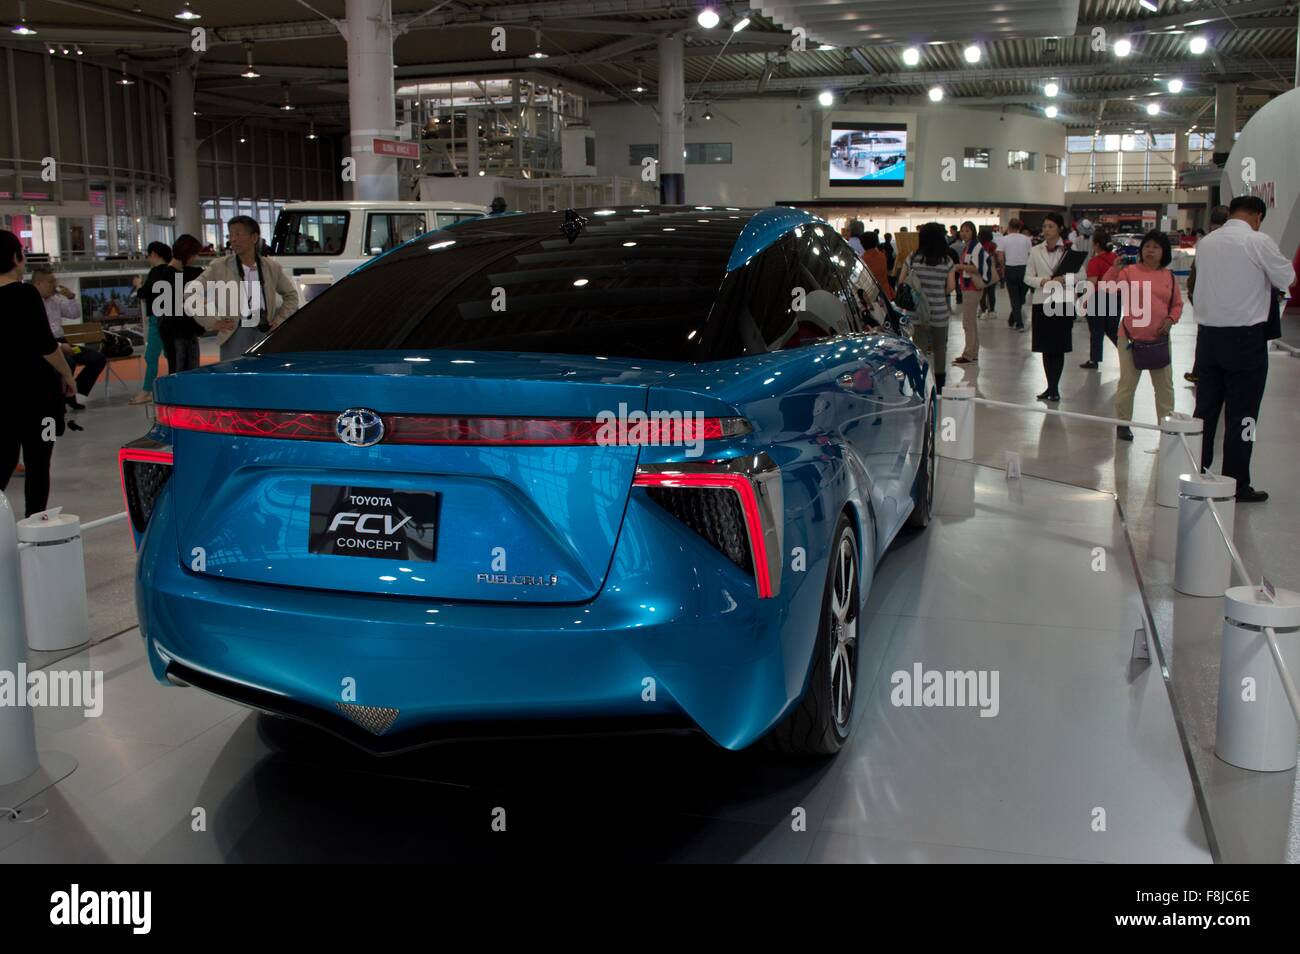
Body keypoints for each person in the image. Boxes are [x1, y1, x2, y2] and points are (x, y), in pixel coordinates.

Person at [1190, 195, 1296, 502]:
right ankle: (1237, 481)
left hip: (1208, 339)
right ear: (1258, 216)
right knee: (1244, 415)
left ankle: (1197, 470)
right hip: (1244, 340)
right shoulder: (1257, 241)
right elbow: (1287, 277)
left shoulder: (1207, 243)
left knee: (1206, 410)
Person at [0, 230, 77, 516]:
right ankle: (35, 527)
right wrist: (67, 376)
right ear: (15, 257)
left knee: (4, 459)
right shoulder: (24, 293)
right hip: (35, 394)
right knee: (38, 462)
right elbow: (46, 345)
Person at [1102, 230, 1181, 440]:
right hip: (1129, 339)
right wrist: (1113, 269)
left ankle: (1166, 426)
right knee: (1127, 384)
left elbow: (1177, 305)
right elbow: (1108, 289)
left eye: (1156, 247)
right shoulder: (1129, 272)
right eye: (1147, 246)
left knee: (1165, 387)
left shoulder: (1169, 277)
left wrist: (1170, 320)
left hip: (1160, 341)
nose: (1150, 250)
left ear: (1164, 252)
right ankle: (1123, 423)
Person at [189, 215, 300, 361]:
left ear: (254, 238)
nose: (233, 239)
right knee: (234, 378)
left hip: (264, 330)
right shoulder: (219, 266)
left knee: (263, 377)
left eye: (238, 234)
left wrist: (280, 320)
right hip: (234, 332)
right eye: (231, 234)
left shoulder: (271, 267)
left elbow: (291, 295)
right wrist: (211, 322)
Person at [1025, 211, 1086, 402]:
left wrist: (1063, 278)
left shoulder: (1070, 248)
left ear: (1060, 228)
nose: (1046, 230)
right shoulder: (1036, 250)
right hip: (1041, 301)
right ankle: (1050, 386)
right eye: (1044, 226)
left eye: (1050, 226)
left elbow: (1082, 275)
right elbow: (1027, 276)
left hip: (1062, 302)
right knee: (1045, 347)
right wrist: (1042, 281)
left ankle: (1054, 388)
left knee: (1058, 347)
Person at [30, 266, 105, 408]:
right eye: (51, 282)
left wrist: (71, 297)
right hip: (46, 346)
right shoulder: (30, 302)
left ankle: (72, 392)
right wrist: (59, 347)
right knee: (68, 362)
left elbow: (74, 314)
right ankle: (59, 399)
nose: (55, 285)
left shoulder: (55, 300)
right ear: (39, 283)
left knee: (97, 358)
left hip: (63, 342)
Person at [897, 222, 956, 391]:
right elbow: (951, 286)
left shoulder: (913, 258)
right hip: (939, 312)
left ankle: (921, 382)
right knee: (940, 349)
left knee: (920, 349)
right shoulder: (947, 260)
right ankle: (939, 385)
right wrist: (937, 292)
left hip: (916, 313)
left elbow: (901, 282)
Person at [1184, 204, 1230, 384]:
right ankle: (1202, 371)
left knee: (1205, 337)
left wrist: (1192, 292)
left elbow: (1196, 272)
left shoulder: (1207, 243)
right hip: (1218, 300)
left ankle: (1202, 371)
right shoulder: (1229, 243)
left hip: (1206, 298)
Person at [130, 240, 173, 406]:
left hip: (158, 318)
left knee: (151, 356)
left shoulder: (155, 272)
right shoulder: (172, 271)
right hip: (172, 318)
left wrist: (139, 286)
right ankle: (171, 388)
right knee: (171, 355)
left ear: (154, 254)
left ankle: (146, 390)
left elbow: (144, 293)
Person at [157, 233, 206, 375]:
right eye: (194, 254)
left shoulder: (180, 273)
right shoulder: (169, 276)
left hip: (184, 331)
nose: (195, 258)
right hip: (177, 332)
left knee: (185, 370)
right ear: (187, 253)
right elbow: (175, 311)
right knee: (180, 371)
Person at [953, 220, 992, 365]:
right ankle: (973, 352)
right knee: (971, 322)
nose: (964, 233)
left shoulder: (975, 247)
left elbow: (977, 268)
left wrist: (960, 266)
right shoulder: (969, 246)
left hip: (972, 288)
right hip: (969, 287)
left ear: (973, 232)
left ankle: (968, 354)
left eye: (967, 230)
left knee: (967, 322)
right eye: (962, 230)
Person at [1080, 230, 1119, 369]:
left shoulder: (1094, 261)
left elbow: (1091, 282)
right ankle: (1128, 352)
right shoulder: (1117, 258)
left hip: (1098, 297)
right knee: (1113, 330)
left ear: (1096, 245)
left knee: (1096, 330)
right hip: (1115, 296)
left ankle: (1094, 360)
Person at [997, 218, 1032, 332]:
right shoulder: (1027, 239)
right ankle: (1016, 321)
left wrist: (1002, 268)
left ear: (1009, 226)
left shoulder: (1003, 239)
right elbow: (1030, 255)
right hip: (1024, 269)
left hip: (1010, 269)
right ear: (1019, 227)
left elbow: (1000, 256)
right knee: (1021, 298)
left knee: (1015, 298)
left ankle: (1017, 322)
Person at [860, 232, 893, 301]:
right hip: (886, 293)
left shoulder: (862, 259)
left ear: (862, 244)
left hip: (871, 296)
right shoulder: (882, 256)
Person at [977, 225, 1000, 320]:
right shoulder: (993, 245)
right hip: (992, 271)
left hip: (981, 271)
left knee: (982, 292)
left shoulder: (977, 246)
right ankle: (992, 311)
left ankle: (983, 310)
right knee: (991, 293)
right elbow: (997, 258)